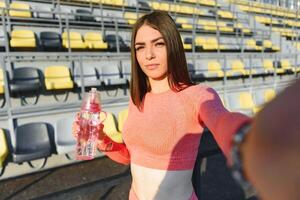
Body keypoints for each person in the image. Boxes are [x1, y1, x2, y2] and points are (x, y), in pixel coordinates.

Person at [73, 11, 300, 200]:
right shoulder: (137, 98)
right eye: (140, 47)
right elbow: (131, 157)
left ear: (172, 45)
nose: (148, 55)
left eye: (158, 44)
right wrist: (102, 140)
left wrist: (249, 139)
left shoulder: (197, 95)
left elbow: (222, 120)